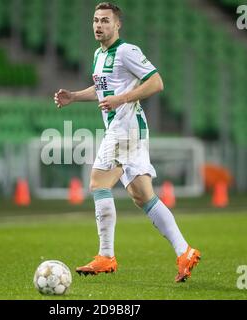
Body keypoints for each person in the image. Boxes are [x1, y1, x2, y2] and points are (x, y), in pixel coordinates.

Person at [54, 2, 201, 282]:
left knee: (98, 183)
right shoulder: (99, 54)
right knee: (142, 196)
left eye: (105, 21)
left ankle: (106, 256)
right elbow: (102, 90)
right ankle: (185, 251)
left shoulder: (126, 51)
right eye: (96, 20)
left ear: (117, 24)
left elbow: (156, 83)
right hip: (127, 130)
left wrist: (122, 99)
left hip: (126, 129)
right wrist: (74, 96)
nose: (99, 25)